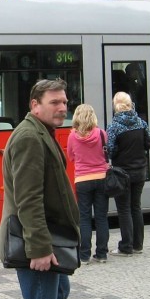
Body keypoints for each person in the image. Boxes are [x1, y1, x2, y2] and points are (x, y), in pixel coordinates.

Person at [0, 79, 79, 299]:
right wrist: (40, 249)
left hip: (42, 237)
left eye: (64, 101)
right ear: (35, 105)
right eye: (54, 102)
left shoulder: (40, 132)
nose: (62, 107)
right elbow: (29, 200)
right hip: (36, 241)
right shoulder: (30, 138)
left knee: (56, 294)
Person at [106, 92, 150, 256]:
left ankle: (126, 246)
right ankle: (138, 245)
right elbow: (148, 143)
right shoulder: (141, 123)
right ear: (130, 103)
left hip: (122, 174)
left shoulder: (114, 127)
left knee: (124, 209)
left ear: (115, 105)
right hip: (140, 171)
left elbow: (110, 150)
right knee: (136, 207)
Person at [66, 104, 109, 264]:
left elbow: (71, 156)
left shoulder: (72, 136)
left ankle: (84, 255)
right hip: (102, 178)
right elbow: (106, 152)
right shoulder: (102, 133)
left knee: (84, 218)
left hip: (82, 180)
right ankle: (102, 254)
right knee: (101, 217)